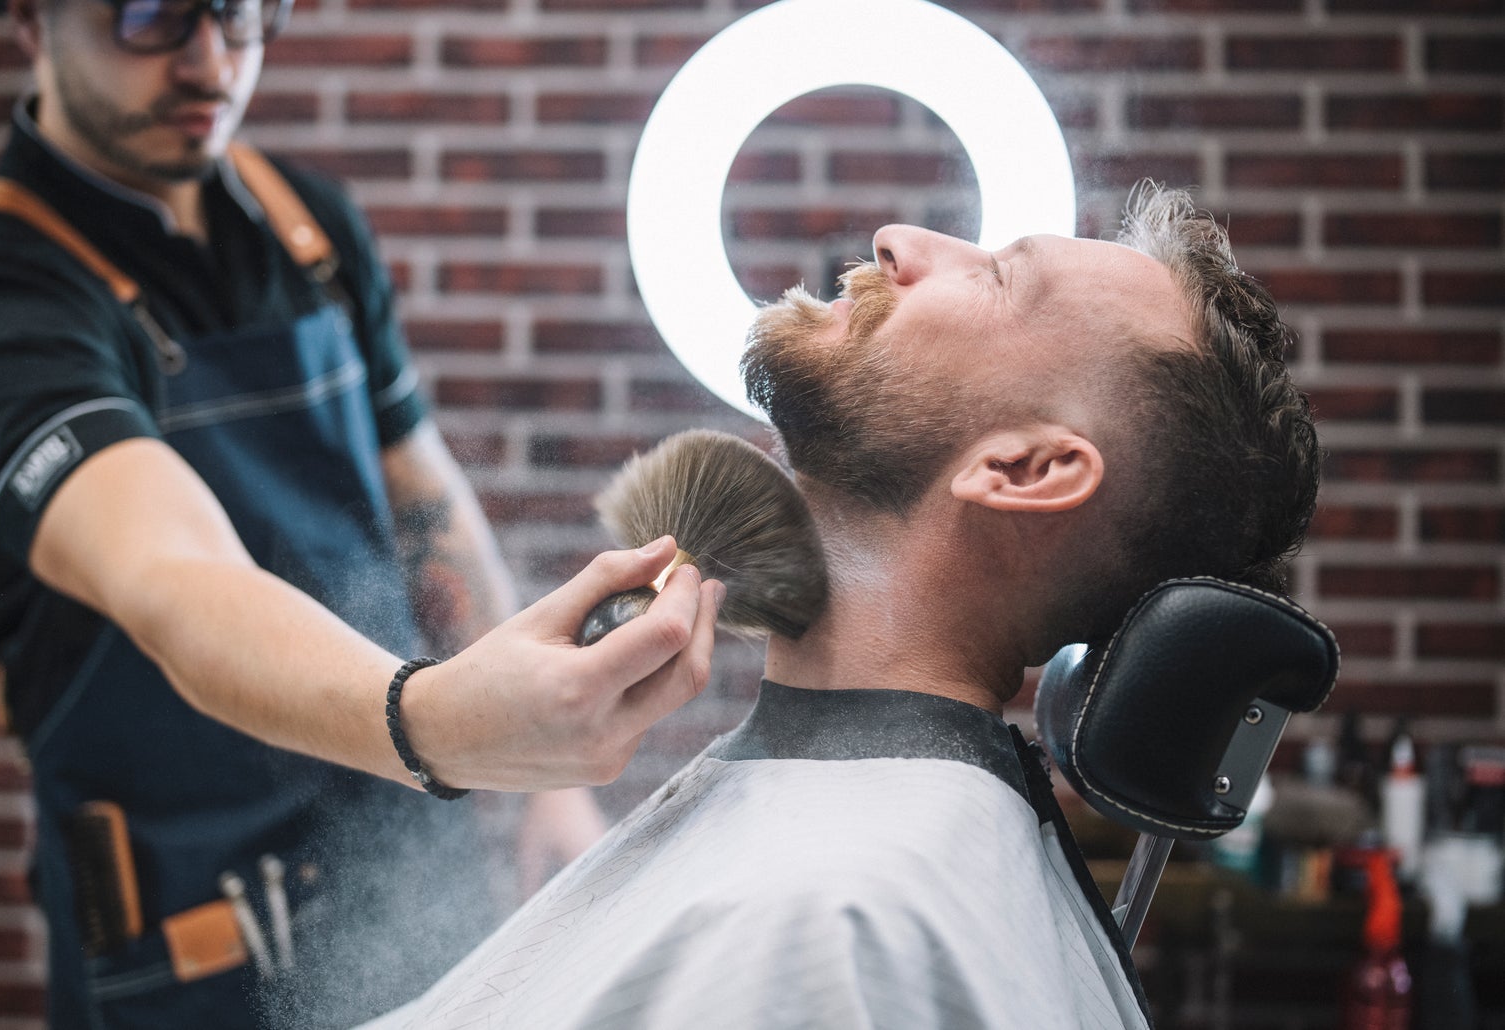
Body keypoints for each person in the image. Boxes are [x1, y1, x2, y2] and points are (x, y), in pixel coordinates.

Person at [0, 0, 723, 1027]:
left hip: (413, 869)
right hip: (189, 931)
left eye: (239, 15)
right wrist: (443, 723)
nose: (209, 63)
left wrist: (544, 789)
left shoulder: (313, 228)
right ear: (31, 21)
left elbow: (427, 505)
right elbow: (177, 575)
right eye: (149, 17)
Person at [360, 183, 1320, 1030]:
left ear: (1024, 471)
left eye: (995, 278)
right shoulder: (859, 867)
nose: (898, 239)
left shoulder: (838, 920)